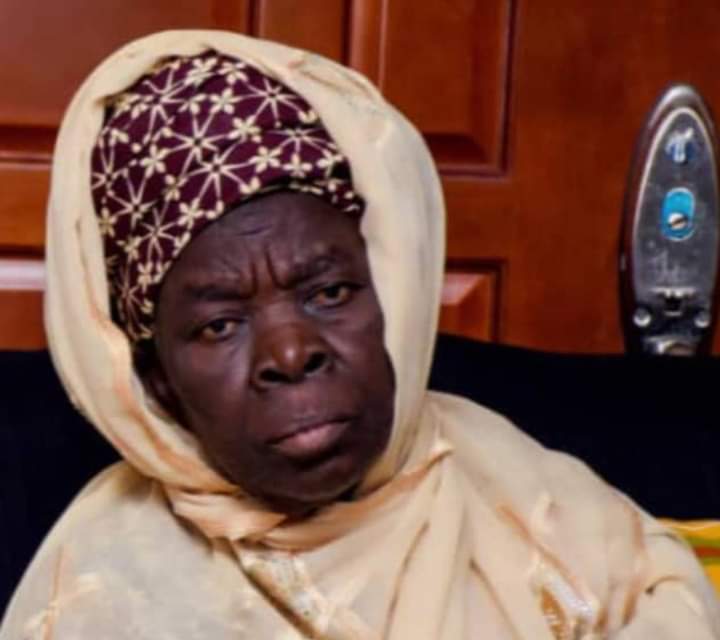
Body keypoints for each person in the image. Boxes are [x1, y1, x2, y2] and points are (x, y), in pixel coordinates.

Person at [1, 30, 718, 640]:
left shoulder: (521, 492)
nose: (290, 353)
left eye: (330, 293)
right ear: (156, 380)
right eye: (220, 325)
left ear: (392, 303)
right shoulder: (102, 591)